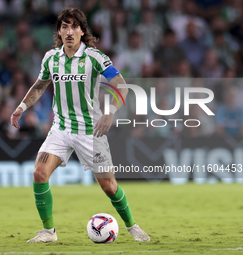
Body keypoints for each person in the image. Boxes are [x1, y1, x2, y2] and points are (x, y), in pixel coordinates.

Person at [10, 8, 150, 243]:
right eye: (64, 26)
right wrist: (21, 108)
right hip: (61, 129)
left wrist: (109, 113)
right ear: (59, 31)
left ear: (82, 31)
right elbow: (39, 85)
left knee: (109, 187)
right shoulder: (51, 58)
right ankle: (48, 232)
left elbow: (121, 85)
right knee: (39, 173)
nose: (69, 31)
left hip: (90, 131)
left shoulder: (95, 57)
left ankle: (132, 226)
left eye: (74, 26)